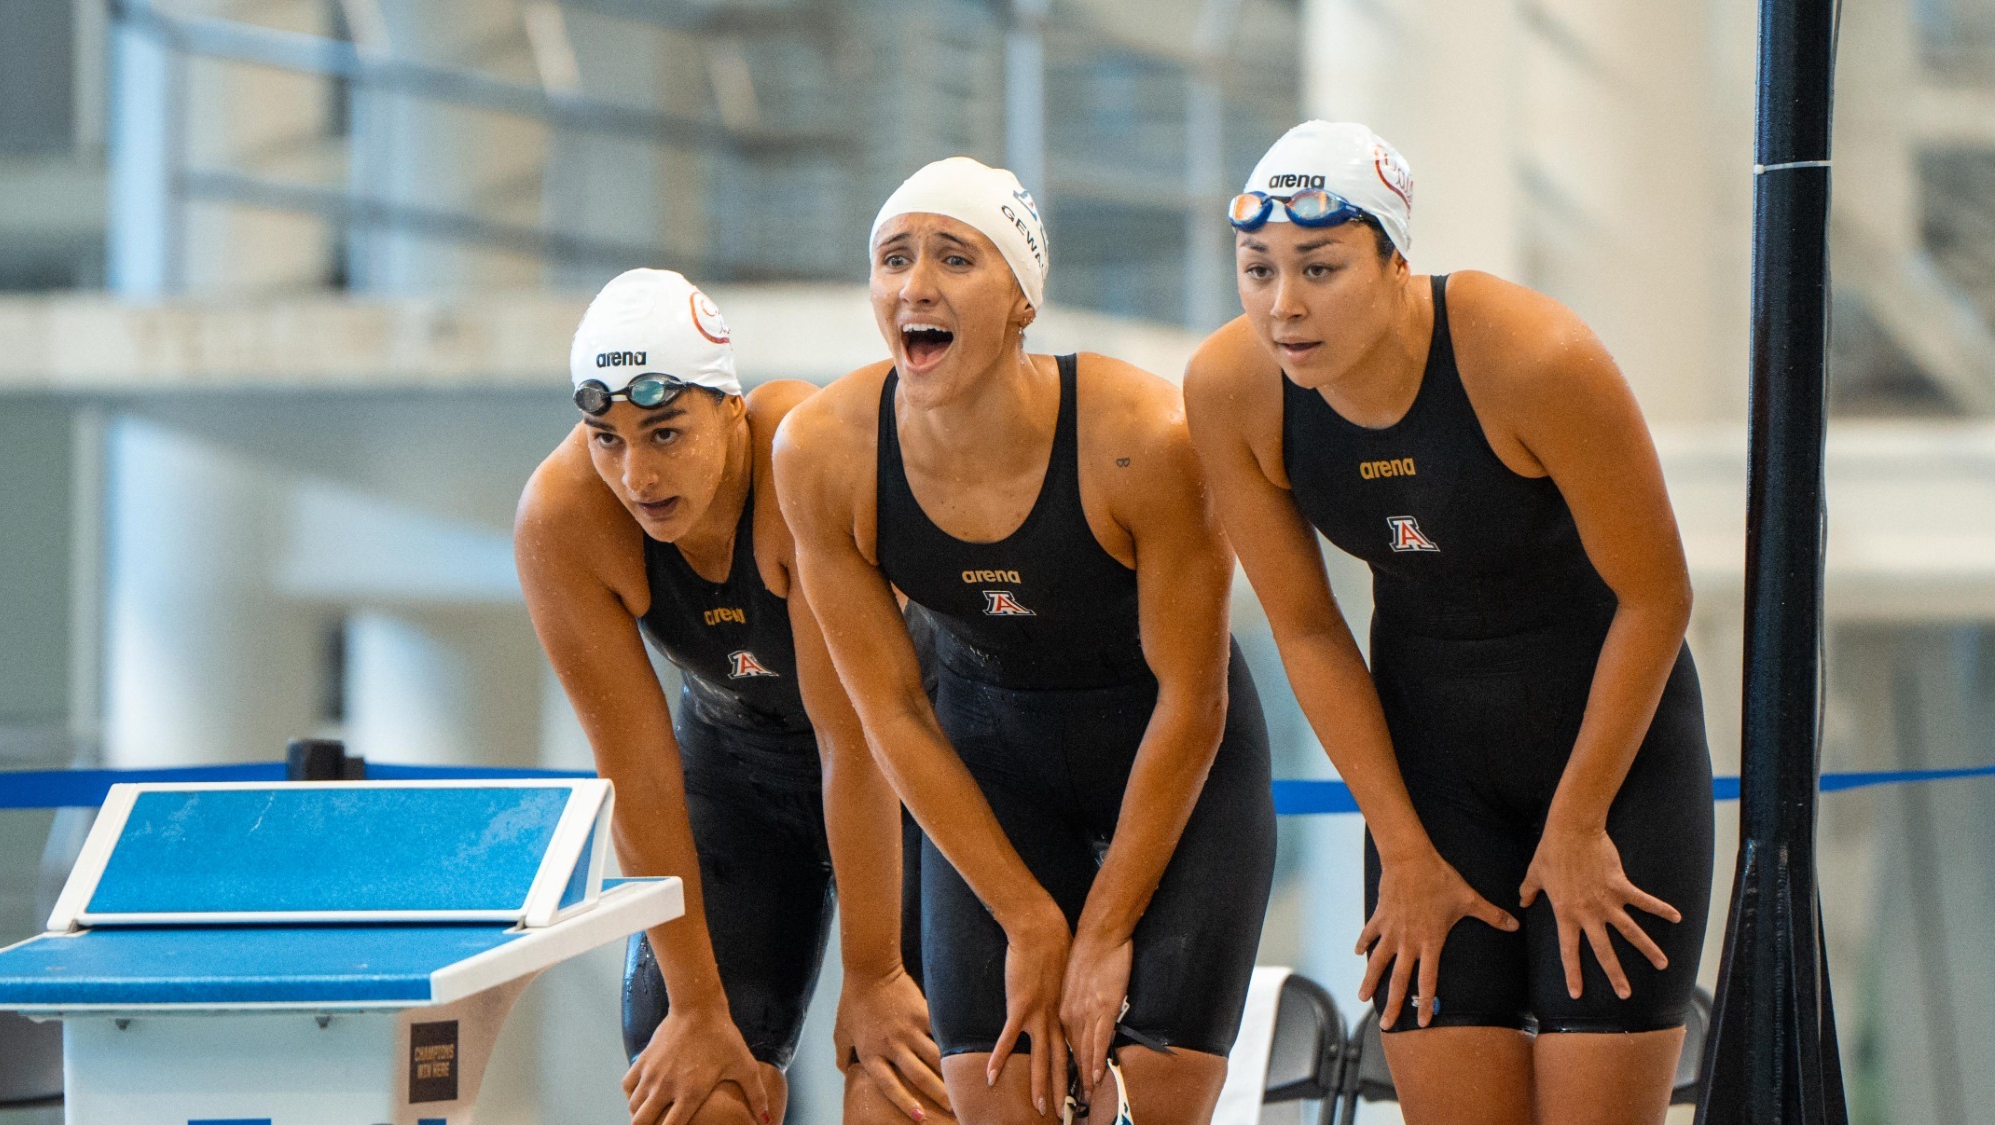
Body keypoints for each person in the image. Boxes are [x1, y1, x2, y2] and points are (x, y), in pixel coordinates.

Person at [1183, 121, 1714, 1124]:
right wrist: (1404, 846)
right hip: (1432, 779)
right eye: (1256, 270)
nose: (1282, 305)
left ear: (1394, 261)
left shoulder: (1530, 357)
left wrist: (1577, 821)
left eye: (1319, 267)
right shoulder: (1232, 388)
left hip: (1611, 764)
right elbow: (1304, 629)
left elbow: (1655, 597)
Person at [774, 158, 1277, 1125]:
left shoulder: (1144, 438)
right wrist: (1029, 915)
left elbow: (1192, 697)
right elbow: (890, 710)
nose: (915, 284)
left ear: (1020, 301)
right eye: (893, 259)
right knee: (1000, 1097)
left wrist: (1105, 931)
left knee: (1158, 1102)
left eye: (954, 258)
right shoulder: (825, 454)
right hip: (991, 760)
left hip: (1174, 759)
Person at [515, 269, 948, 1125]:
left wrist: (875, 974)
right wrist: (697, 1009)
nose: (637, 474)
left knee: (896, 1087)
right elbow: (636, 771)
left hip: (913, 771)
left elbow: (852, 738)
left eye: (665, 431)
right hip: (737, 775)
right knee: (696, 1095)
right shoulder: (563, 519)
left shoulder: (800, 451)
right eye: (608, 438)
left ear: (729, 407)